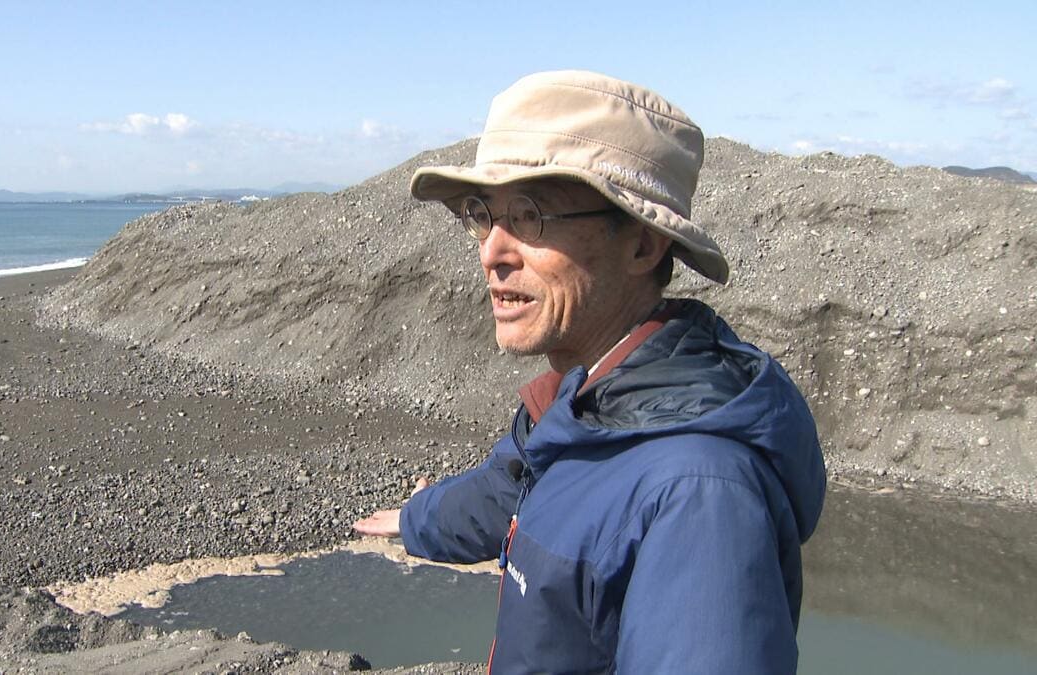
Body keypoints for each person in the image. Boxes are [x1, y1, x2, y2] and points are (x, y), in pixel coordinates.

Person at [353, 70, 826, 674]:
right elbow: (512, 490)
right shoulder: (581, 409)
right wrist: (417, 519)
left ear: (642, 246)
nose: (492, 252)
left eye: (530, 215)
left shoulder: (700, 496)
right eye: (482, 214)